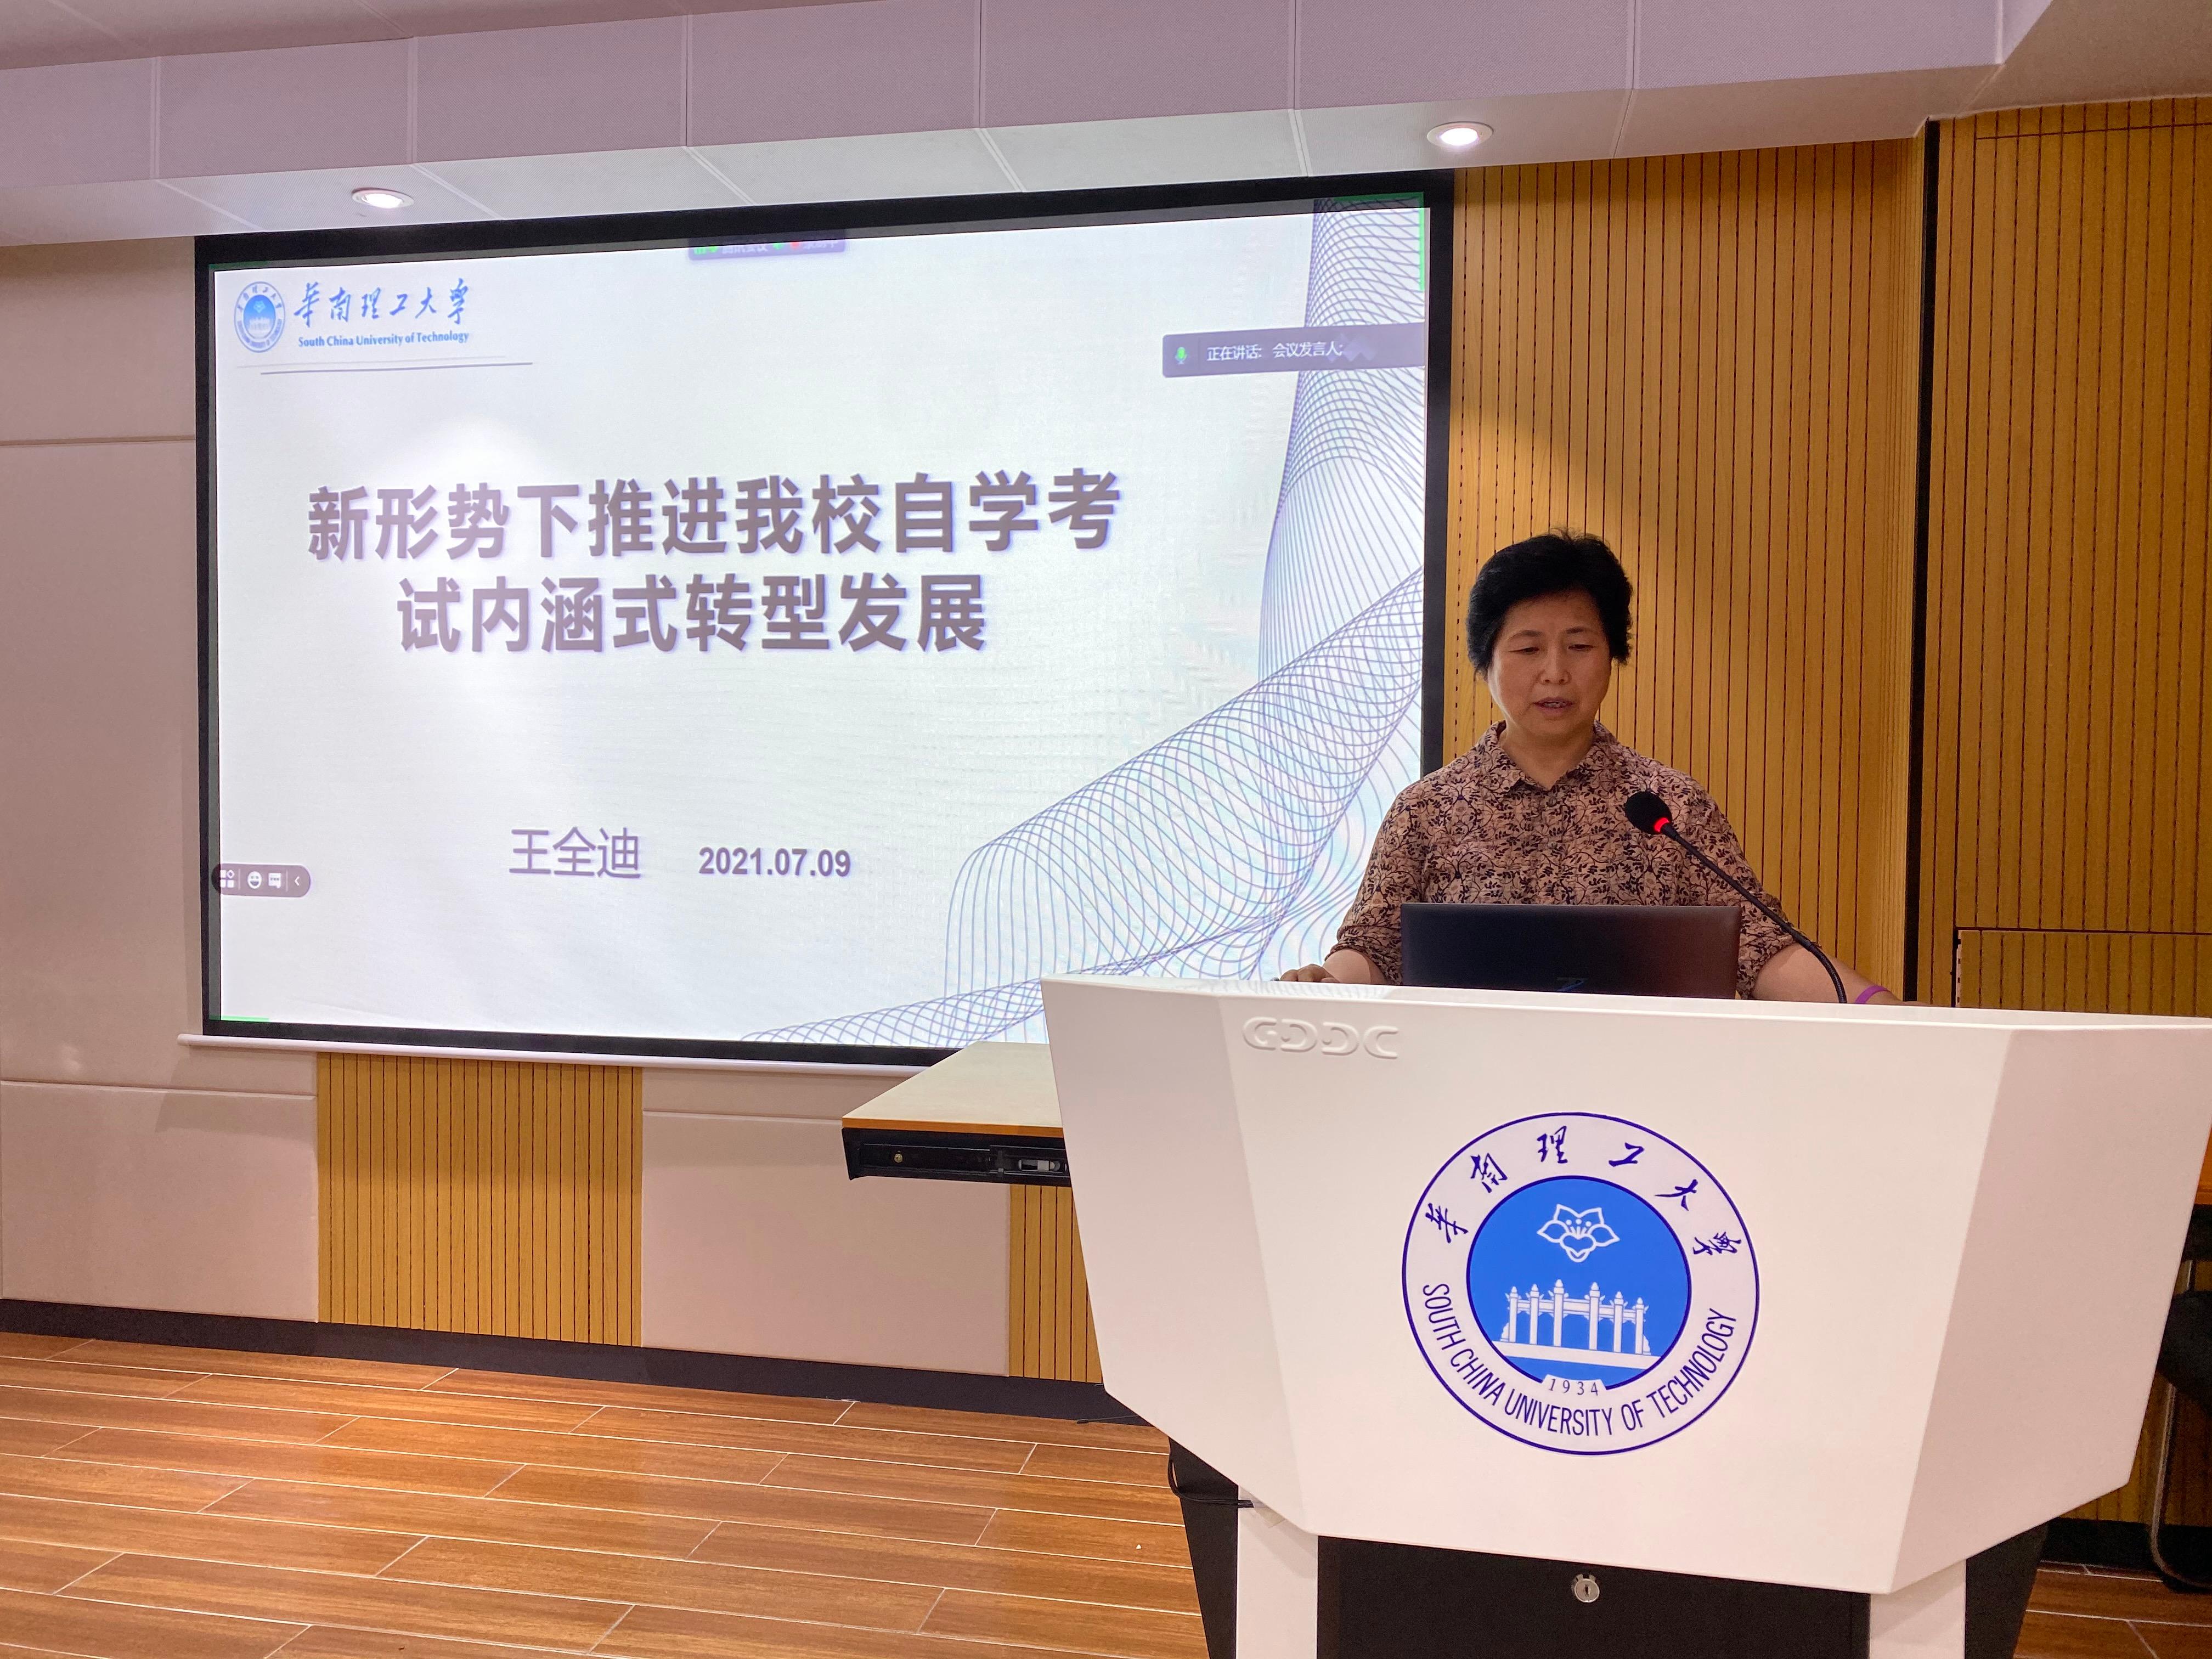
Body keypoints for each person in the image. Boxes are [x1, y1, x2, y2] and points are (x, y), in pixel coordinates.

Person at [1284, 532, 1898, 1003]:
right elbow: (1375, 949)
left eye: (1579, 646)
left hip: (1639, 1094)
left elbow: (1762, 950)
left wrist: (1876, 1006)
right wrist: (1327, 984)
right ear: (1486, 662)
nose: (1555, 672)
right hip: (1467, 1087)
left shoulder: (1669, 805)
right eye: (1528, 648)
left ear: (1612, 657)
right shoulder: (1429, 809)